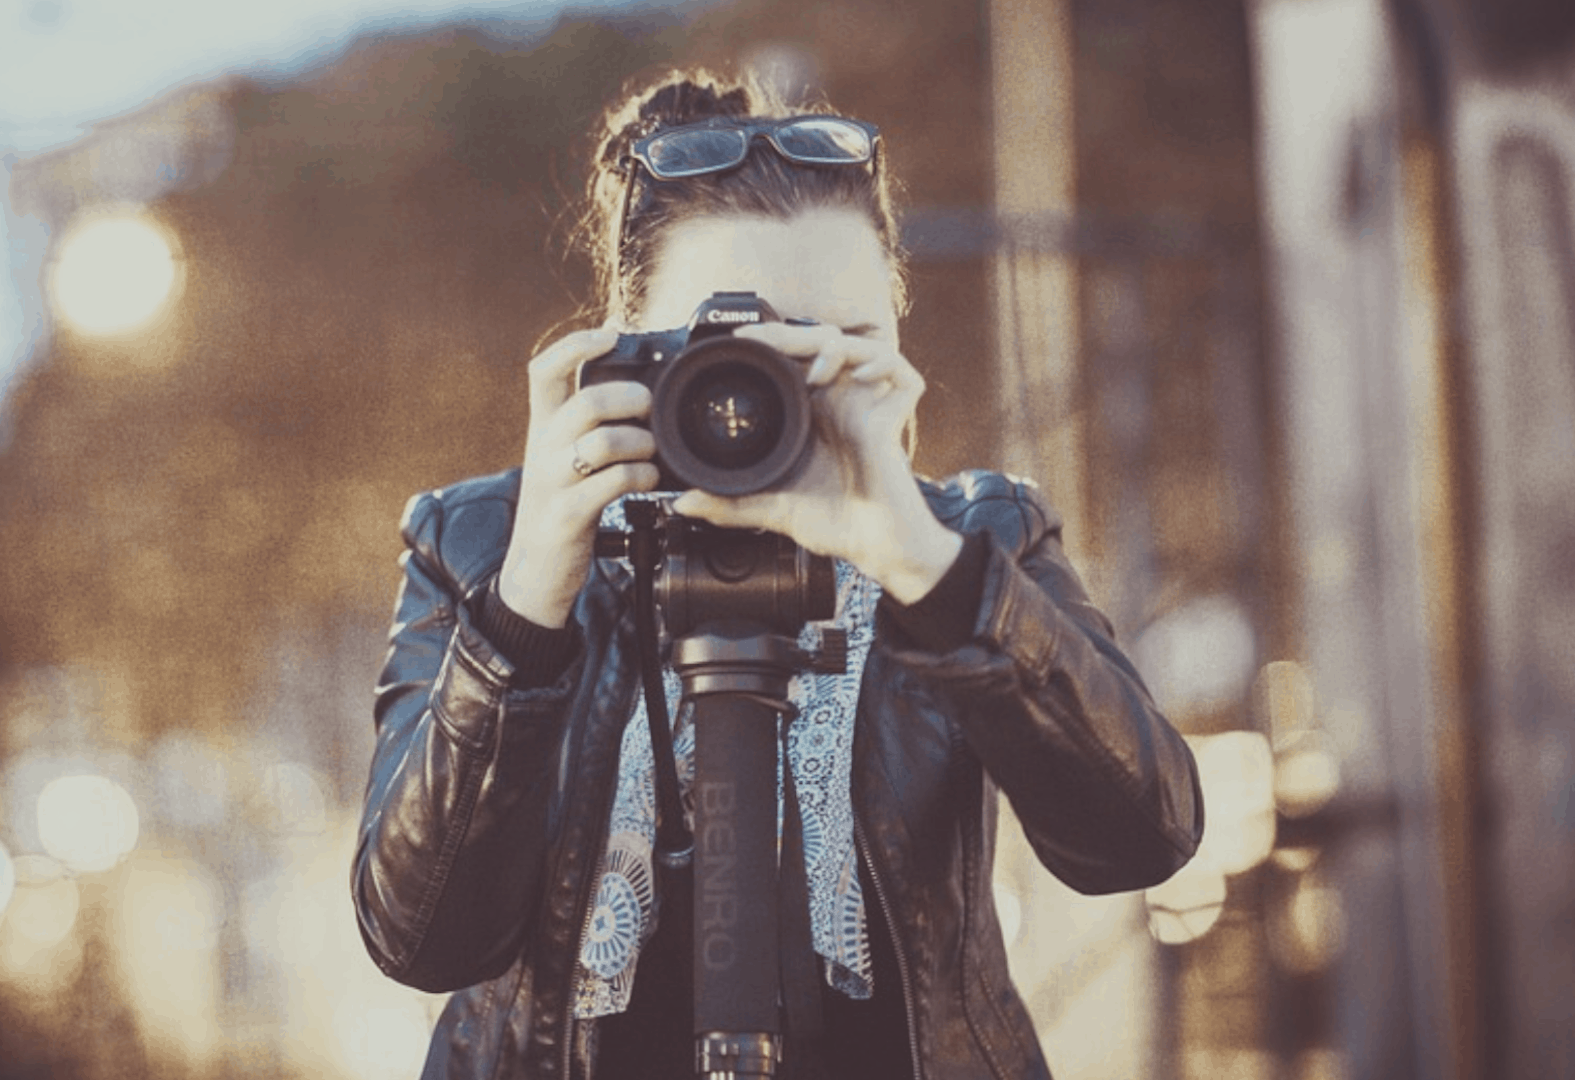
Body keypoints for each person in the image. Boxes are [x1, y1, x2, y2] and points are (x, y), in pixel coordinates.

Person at [352, 68, 1203, 1080]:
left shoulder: (972, 538)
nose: (773, 400)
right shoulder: (485, 544)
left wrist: (925, 569)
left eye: (837, 349)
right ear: (624, 353)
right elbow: (420, 938)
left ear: (899, 348)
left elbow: (1142, 840)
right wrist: (530, 600)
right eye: (734, 348)